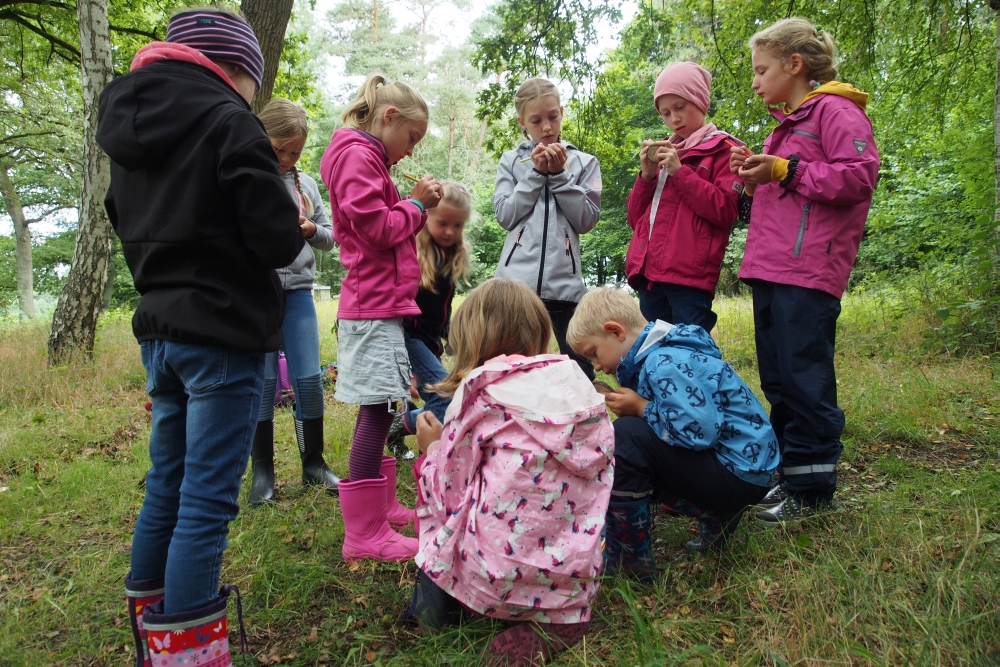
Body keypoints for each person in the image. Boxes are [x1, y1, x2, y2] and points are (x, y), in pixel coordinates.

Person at [98, 8, 304, 666]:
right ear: (238, 70)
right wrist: (288, 209)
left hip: (160, 332)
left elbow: (116, 217)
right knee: (207, 498)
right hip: (223, 332)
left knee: (167, 482)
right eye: (255, 83)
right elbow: (274, 236)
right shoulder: (227, 119)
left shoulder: (128, 126)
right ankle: (185, 655)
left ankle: (149, 642)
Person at [405, 278, 613, 667]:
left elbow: (448, 492)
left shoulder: (481, 391)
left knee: (433, 491)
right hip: (571, 576)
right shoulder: (581, 389)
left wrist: (431, 449)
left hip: (494, 573)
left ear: (471, 339)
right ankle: (556, 620)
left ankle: (431, 611)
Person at [728, 18, 879, 525]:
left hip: (809, 269)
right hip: (772, 268)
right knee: (778, 376)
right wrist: (757, 177)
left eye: (761, 69)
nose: (755, 80)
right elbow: (789, 194)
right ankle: (792, 475)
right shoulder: (786, 124)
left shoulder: (836, 112)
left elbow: (858, 177)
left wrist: (785, 170)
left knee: (804, 375)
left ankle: (812, 491)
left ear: (794, 65)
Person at [567, 288, 778, 577]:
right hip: (745, 471)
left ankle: (629, 560)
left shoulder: (662, 362)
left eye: (593, 354)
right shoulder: (663, 353)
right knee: (636, 442)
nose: (598, 366)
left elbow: (699, 432)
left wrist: (641, 408)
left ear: (615, 331)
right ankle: (717, 515)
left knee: (626, 437)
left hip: (738, 472)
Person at [319, 74, 442, 562]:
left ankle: (382, 505)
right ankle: (363, 533)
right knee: (375, 409)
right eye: (411, 138)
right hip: (369, 306)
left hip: (381, 306)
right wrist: (415, 205)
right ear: (389, 117)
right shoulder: (356, 155)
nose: (410, 152)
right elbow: (376, 229)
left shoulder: (367, 157)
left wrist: (405, 202)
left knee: (387, 404)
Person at [247, 97, 340, 505]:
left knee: (307, 378)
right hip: (259, 293)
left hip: (299, 292)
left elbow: (329, 234)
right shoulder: (247, 177)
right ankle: (262, 474)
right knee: (264, 382)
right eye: (277, 150)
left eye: (295, 152)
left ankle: (313, 464)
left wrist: (307, 229)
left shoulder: (307, 185)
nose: (285, 159)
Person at [493, 77, 602, 380]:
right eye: (536, 120)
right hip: (516, 286)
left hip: (564, 285)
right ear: (522, 122)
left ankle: (585, 421)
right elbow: (504, 214)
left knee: (579, 362)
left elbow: (587, 219)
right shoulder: (512, 162)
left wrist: (559, 177)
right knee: (512, 363)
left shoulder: (583, 163)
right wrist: (535, 174)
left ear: (562, 112)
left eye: (553, 117)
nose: (546, 127)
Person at [626, 61, 744, 333]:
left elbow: (724, 210)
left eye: (680, 107)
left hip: (689, 277)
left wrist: (680, 172)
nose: (674, 119)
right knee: (653, 351)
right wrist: (646, 175)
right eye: (666, 113)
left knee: (692, 351)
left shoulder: (725, 149)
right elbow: (635, 220)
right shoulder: (666, 151)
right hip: (648, 275)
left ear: (700, 101)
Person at [386, 181, 473, 457]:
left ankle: (405, 422)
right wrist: (408, 368)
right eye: (443, 223)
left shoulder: (452, 255)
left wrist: (452, 335)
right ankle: (433, 454)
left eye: (458, 225)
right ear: (426, 219)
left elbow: (441, 307)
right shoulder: (412, 250)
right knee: (445, 393)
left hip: (429, 340)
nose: (450, 231)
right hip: (408, 337)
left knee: (452, 392)